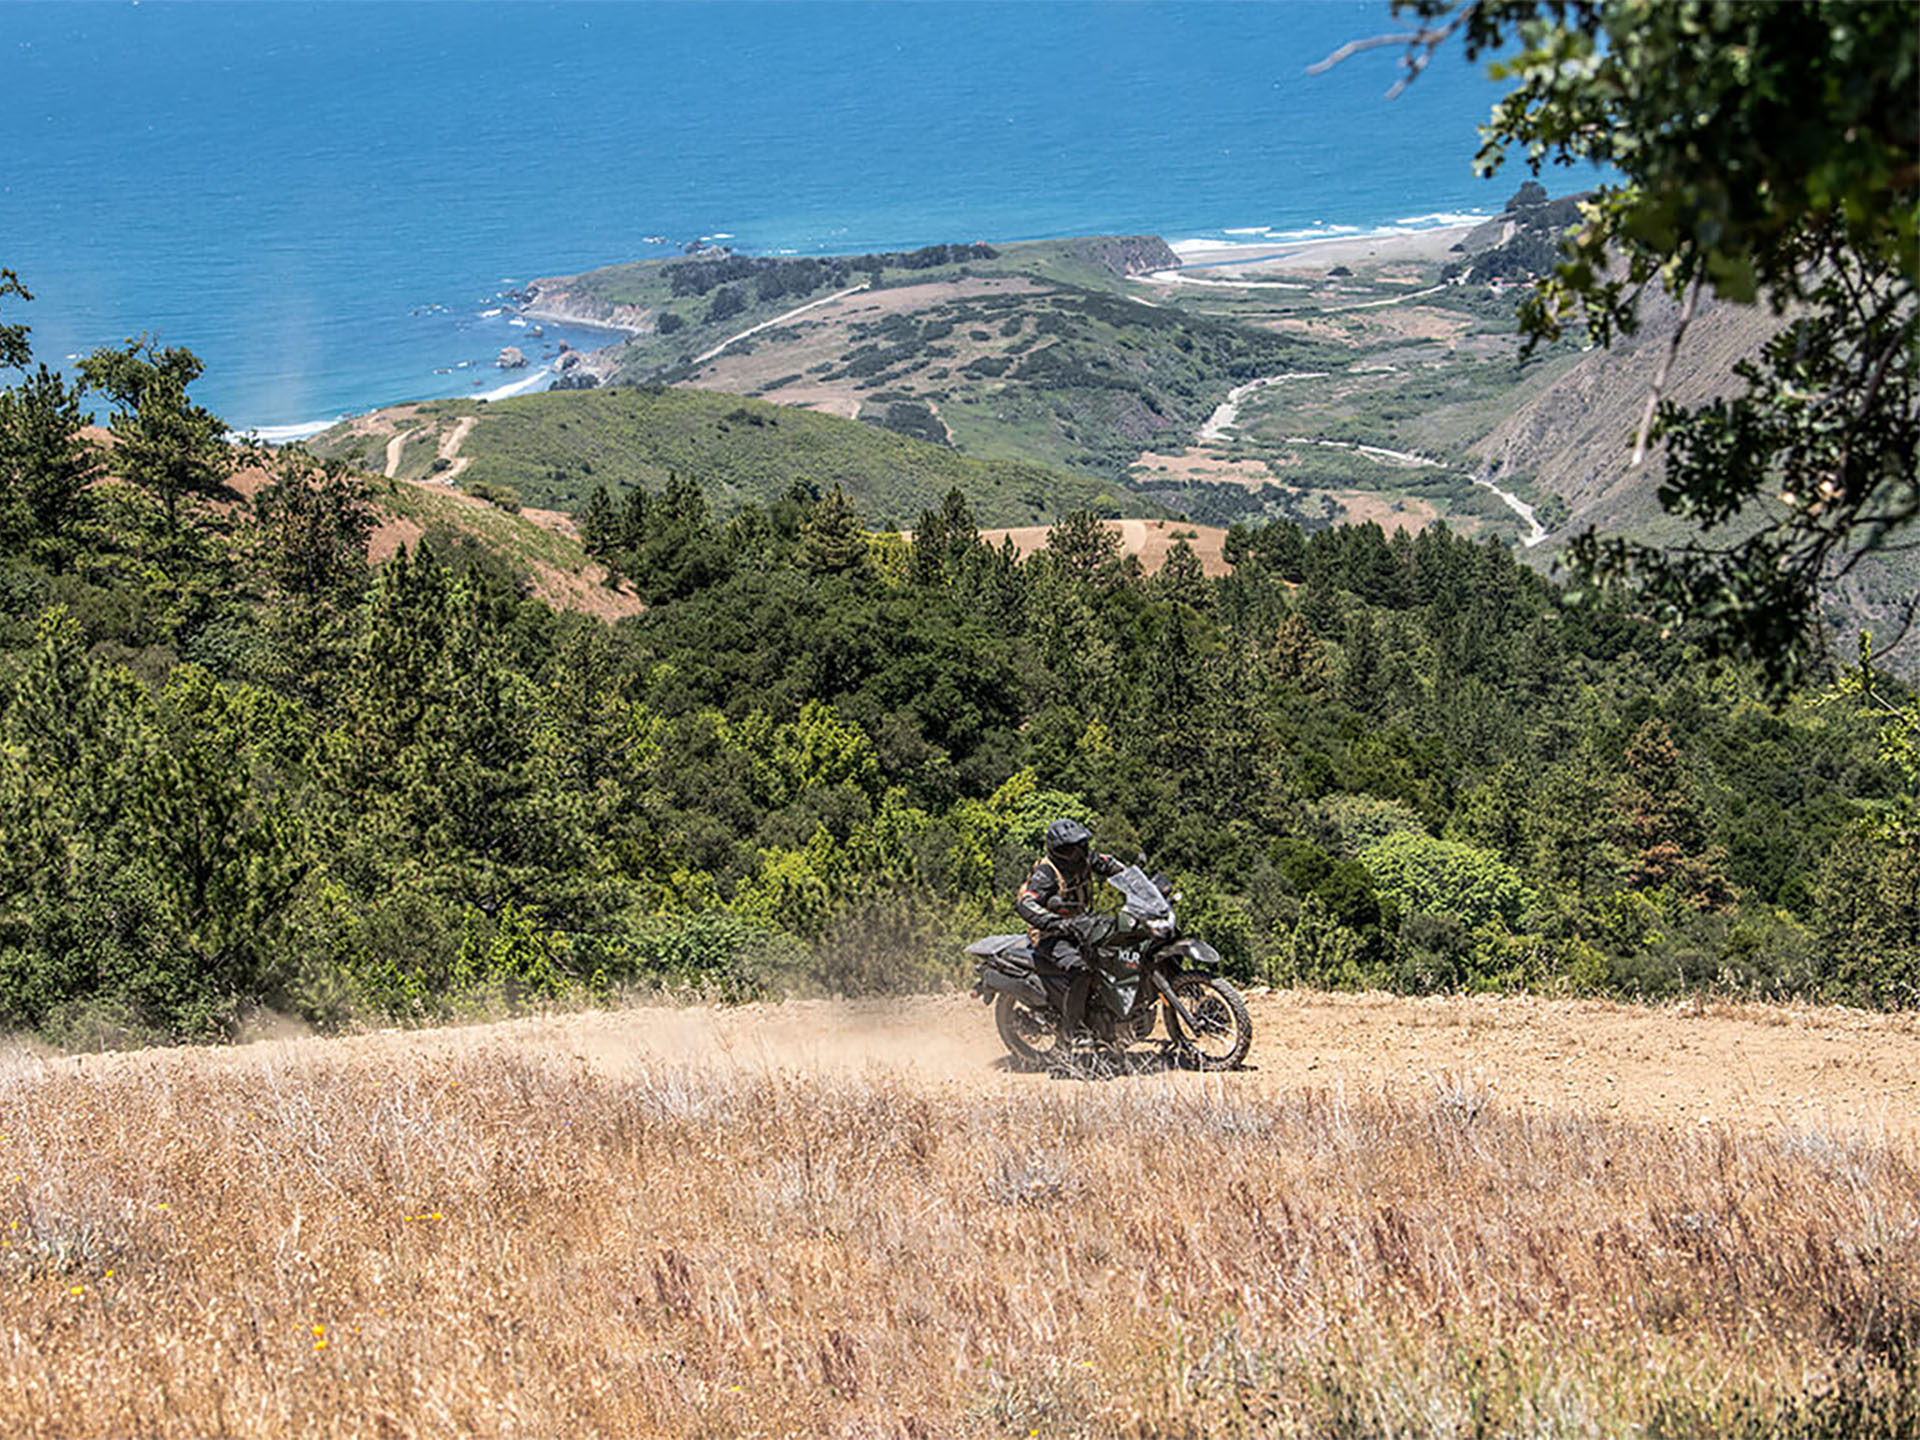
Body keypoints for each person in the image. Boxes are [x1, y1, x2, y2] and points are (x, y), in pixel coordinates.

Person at [1014, 818, 1123, 1044]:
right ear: (1060, 850)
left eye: (1080, 845)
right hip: (1051, 933)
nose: (1077, 851)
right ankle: (1068, 1034)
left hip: (1082, 925)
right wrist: (1056, 922)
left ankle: (1109, 1017)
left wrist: (1140, 884)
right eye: (1071, 848)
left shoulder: (1086, 858)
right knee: (1081, 970)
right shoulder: (1047, 873)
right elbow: (1026, 903)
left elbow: (1114, 867)